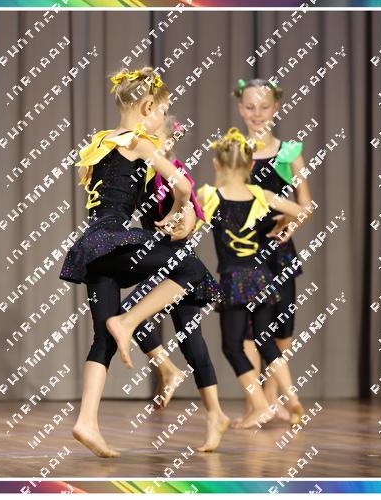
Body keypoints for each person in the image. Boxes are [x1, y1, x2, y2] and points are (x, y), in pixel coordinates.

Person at [58, 67, 207, 457]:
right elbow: (182, 184)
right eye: (163, 111)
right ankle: (128, 321)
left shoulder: (99, 142)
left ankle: (86, 421)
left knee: (102, 338)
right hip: (114, 238)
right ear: (148, 106)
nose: (163, 119)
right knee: (192, 269)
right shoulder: (139, 141)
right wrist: (177, 211)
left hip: (91, 246)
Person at [119, 115, 229, 451]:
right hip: (166, 263)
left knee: (133, 314)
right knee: (191, 342)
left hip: (178, 265)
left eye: (151, 139)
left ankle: (176, 378)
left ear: (167, 143)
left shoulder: (174, 172)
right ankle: (213, 411)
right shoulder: (145, 173)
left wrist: (186, 219)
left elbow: (191, 207)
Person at [196, 127, 307, 428]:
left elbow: (187, 223)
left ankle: (260, 405)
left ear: (217, 164)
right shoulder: (262, 195)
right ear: (250, 165)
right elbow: (302, 210)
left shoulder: (209, 196)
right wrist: (285, 221)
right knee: (266, 341)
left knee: (232, 346)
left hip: (234, 280)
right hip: (263, 278)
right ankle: (292, 398)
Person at [234, 78, 314, 421]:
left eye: (264, 107)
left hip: (278, 251)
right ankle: (257, 405)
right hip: (244, 251)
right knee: (248, 331)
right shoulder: (234, 151)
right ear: (241, 109)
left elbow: (306, 204)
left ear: (276, 108)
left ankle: (272, 397)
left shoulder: (289, 152)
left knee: (282, 330)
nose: (257, 113)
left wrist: (289, 223)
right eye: (250, 107)